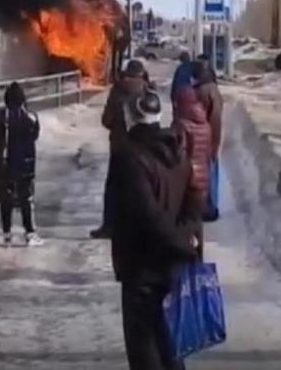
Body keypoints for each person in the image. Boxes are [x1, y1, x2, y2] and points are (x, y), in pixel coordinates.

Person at [109, 91, 202, 370]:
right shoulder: (178, 152)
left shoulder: (128, 157)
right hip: (173, 265)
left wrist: (178, 243)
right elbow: (194, 205)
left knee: (144, 349)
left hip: (142, 267)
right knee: (171, 343)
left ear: (130, 117)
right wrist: (187, 241)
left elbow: (147, 215)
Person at [91, 59, 150, 239]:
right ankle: (139, 227)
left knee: (114, 189)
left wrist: (117, 128)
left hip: (119, 147)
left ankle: (109, 226)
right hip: (141, 148)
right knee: (140, 188)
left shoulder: (117, 91)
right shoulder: (147, 91)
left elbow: (106, 120)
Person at [0, 82, 43, 247]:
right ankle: (30, 233)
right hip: (25, 164)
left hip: (4, 164)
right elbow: (35, 135)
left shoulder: (1, 116)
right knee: (27, 198)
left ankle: (7, 234)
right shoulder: (31, 116)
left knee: (6, 200)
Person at [171, 84, 211, 249]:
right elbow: (207, 153)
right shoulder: (205, 125)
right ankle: (199, 260)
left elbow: (179, 154)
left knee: (183, 223)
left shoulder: (181, 125)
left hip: (186, 180)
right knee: (196, 221)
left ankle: (185, 260)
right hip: (202, 179)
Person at [192, 59, 225, 222]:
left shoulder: (202, 92)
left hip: (204, 139)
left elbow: (213, 119)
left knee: (204, 173)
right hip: (210, 138)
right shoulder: (214, 91)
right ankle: (209, 206)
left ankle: (208, 207)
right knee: (209, 172)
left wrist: (213, 144)